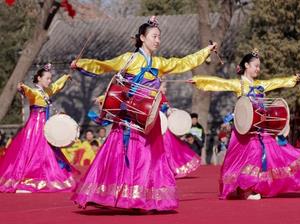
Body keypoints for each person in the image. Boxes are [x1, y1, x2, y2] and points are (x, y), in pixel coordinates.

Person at [71, 16, 217, 211]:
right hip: (129, 117)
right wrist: (82, 64)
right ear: (142, 37)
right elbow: (104, 65)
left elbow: (184, 63)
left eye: (159, 37)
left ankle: (144, 197)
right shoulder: (128, 59)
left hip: (149, 118)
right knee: (123, 155)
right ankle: (115, 195)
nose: (158, 40)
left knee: (150, 158)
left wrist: (206, 51)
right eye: (154, 36)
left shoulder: (158, 63)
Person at [191, 49, 300, 200]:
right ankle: (246, 190)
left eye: (259, 66)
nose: (258, 69)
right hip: (244, 131)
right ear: (247, 65)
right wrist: (199, 80)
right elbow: (219, 83)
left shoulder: (261, 85)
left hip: (260, 129)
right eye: (255, 66)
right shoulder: (239, 84)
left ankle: (253, 188)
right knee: (251, 154)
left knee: (275, 152)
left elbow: (278, 82)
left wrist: (295, 79)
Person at [0, 64, 75, 193]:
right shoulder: (34, 93)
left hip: (45, 127)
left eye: (50, 78)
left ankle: (45, 178)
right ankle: (26, 179)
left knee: (48, 153)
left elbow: (56, 86)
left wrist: (65, 77)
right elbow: (28, 91)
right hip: (34, 128)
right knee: (30, 153)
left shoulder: (47, 91)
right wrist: (22, 87)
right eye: (47, 78)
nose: (49, 81)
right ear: (39, 78)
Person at [159, 82, 201, 178]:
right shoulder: (155, 96)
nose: (166, 89)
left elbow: (167, 111)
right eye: (164, 87)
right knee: (167, 150)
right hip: (160, 129)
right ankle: (166, 170)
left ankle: (170, 169)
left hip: (164, 128)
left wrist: (171, 111)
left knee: (171, 149)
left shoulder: (163, 97)